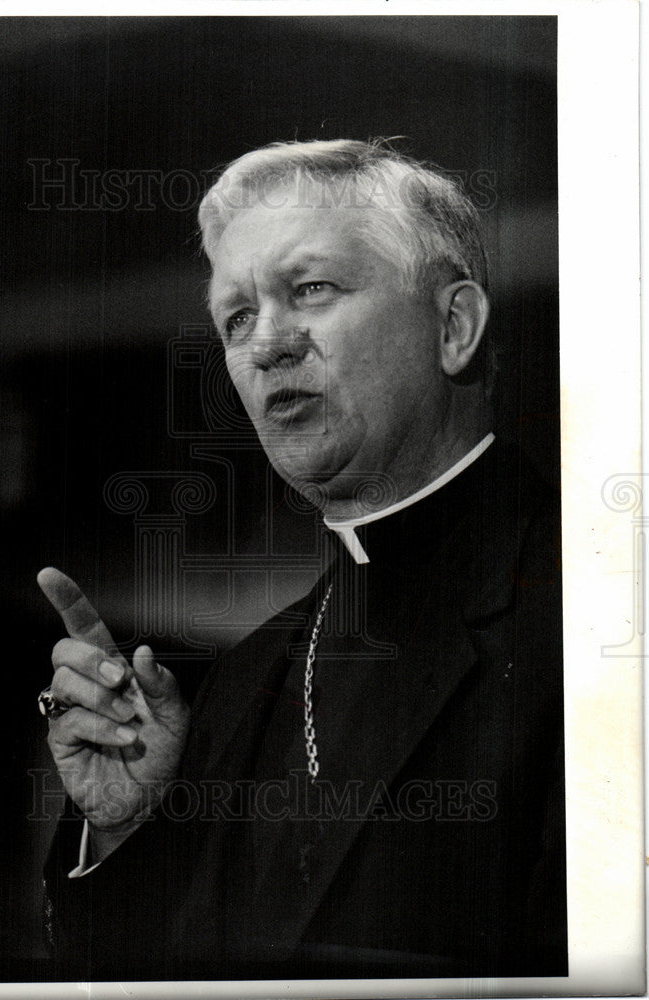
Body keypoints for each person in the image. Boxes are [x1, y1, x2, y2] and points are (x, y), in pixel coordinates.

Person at [37, 139, 566, 981]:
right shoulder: (245, 681)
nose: (265, 346)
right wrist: (133, 833)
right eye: (236, 317)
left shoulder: (598, 615)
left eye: (310, 289)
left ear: (454, 326)